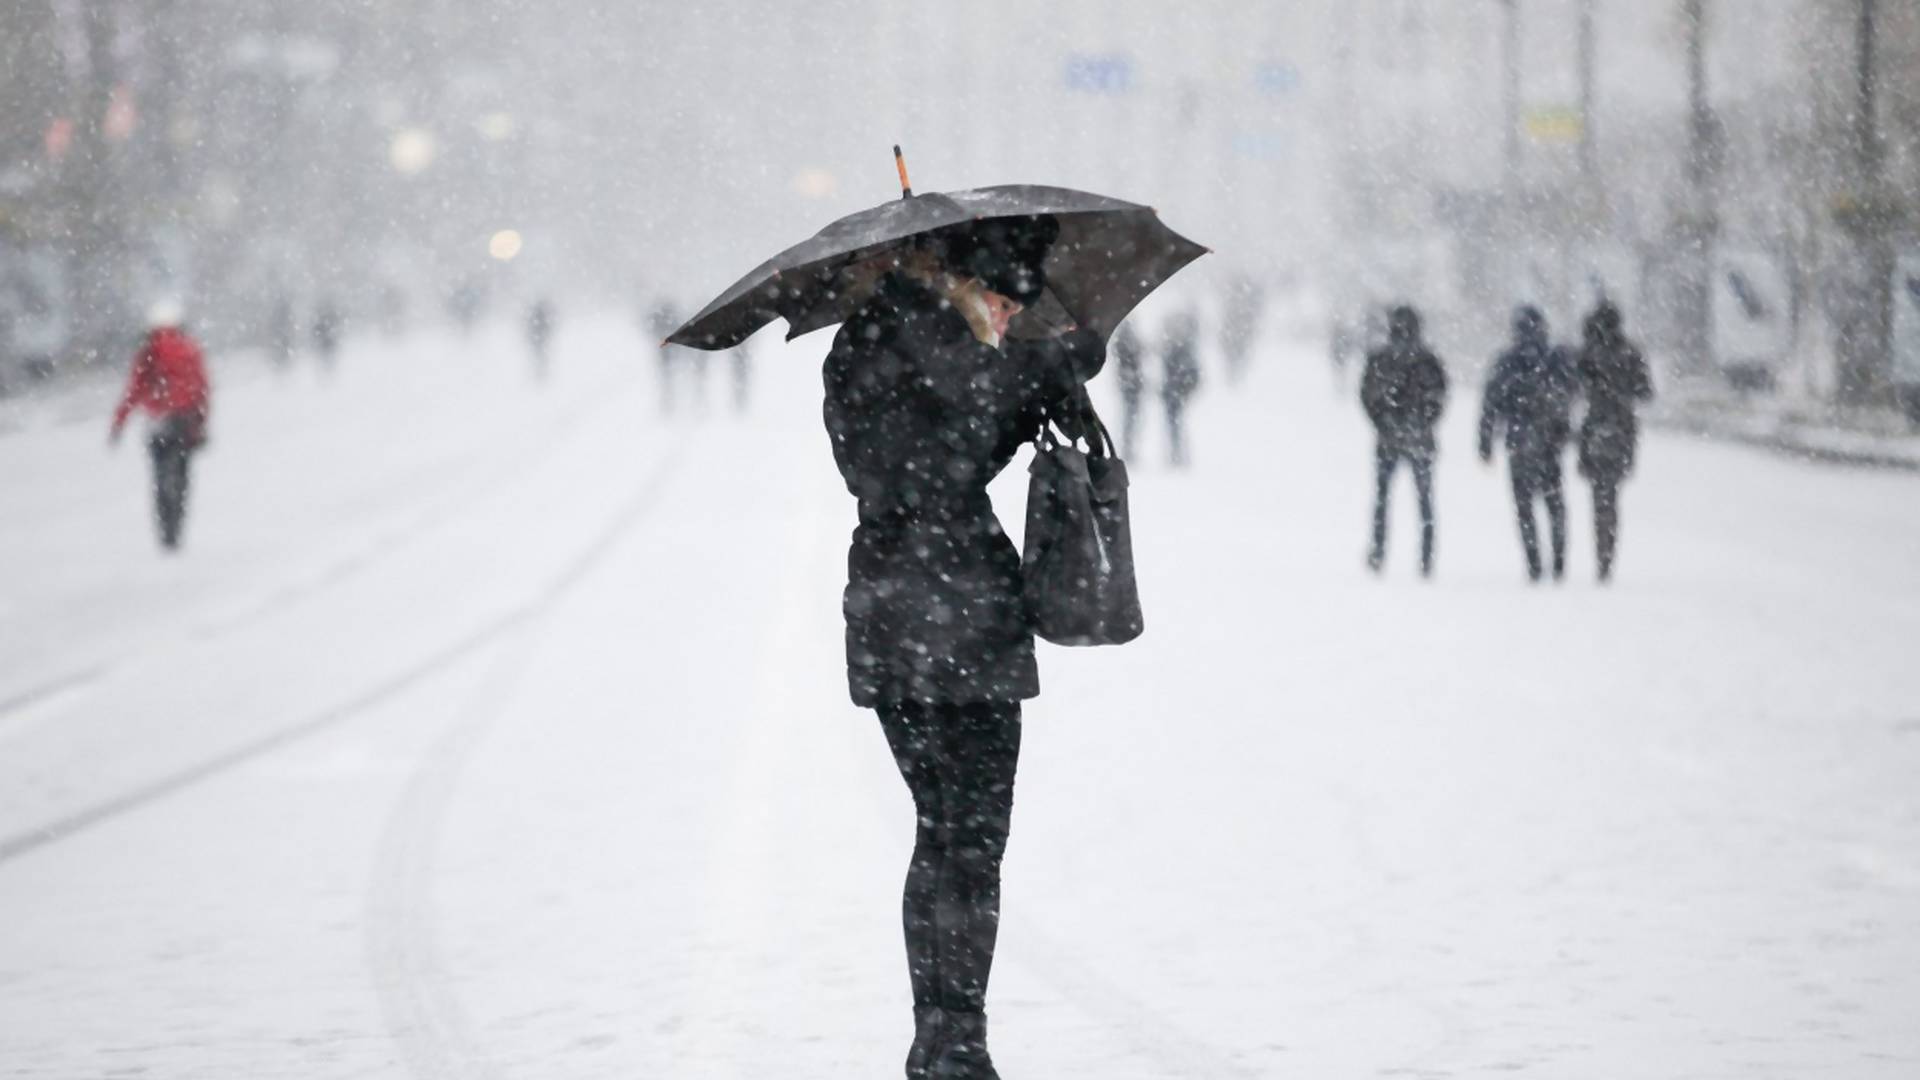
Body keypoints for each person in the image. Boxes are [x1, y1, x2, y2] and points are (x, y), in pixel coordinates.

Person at [822, 215, 1104, 1080]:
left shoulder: (864, 349)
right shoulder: (933, 346)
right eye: (1005, 299)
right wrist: (1042, 370)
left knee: (946, 833)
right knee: (968, 839)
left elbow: (935, 452)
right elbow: (939, 460)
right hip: (954, 615)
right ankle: (955, 1038)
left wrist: (1033, 383)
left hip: (897, 614)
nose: (1014, 317)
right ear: (966, 283)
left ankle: (944, 1034)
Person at [1478, 306, 1578, 582]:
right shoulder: (1555, 358)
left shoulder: (1508, 361)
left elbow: (1491, 404)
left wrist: (1485, 441)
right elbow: (1572, 391)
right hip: (1549, 442)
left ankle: (1534, 562)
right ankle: (1558, 561)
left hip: (1519, 442)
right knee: (1554, 504)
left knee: (1525, 508)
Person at [110, 301, 211, 551]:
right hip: (183, 421)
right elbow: (202, 388)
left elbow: (134, 389)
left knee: (158, 477)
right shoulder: (190, 349)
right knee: (182, 476)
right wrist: (200, 421)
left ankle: (165, 527)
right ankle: (177, 522)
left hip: (157, 421)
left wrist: (119, 421)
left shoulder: (148, 351)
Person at [1361, 304, 1448, 576]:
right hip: (1418, 439)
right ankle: (1425, 558)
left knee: (1383, 499)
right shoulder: (1427, 360)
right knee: (1423, 501)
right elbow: (1439, 398)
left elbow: (1368, 395)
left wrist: (1384, 422)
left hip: (1389, 439)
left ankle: (1379, 551)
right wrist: (1421, 422)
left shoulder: (1381, 359)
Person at [1575, 300, 1654, 583]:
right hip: (1622, 430)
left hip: (1595, 428)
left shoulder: (1589, 353)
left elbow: (1574, 386)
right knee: (1610, 496)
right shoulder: (1630, 353)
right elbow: (1646, 392)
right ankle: (1607, 553)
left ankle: (1602, 552)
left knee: (1599, 495)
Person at [1159, 309, 1201, 467]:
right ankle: (1175, 455)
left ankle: (1177, 455)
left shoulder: (1180, 349)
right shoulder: (1175, 348)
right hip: (1172, 394)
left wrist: (1183, 389)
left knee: (1175, 426)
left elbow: (1193, 374)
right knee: (1174, 426)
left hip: (1175, 394)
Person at [1112, 321, 1145, 459]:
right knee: (1130, 418)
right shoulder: (1126, 344)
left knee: (1131, 418)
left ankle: (1128, 447)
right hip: (1131, 386)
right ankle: (1128, 447)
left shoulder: (1122, 343)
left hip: (1131, 385)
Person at [647, 300, 681, 415]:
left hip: (665, 354)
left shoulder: (660, 318)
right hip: (667, 354)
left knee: (667, 377)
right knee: (667, 377)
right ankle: (667, 401)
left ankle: (667, 401)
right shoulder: (668, 318)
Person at [526, 298, 555, 378]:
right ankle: (541, 373)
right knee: (541, 356)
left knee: (538, 356)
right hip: (541, 341)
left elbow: (530, 329)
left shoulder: (535, 317)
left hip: (538, 341)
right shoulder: (543, 318)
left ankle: (539, 373)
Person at [311, 299, 342, 370]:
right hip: (325, 343)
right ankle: (327, 368)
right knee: (326, 358)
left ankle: (328, 368)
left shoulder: (321, 318)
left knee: (327, 358)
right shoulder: (326, 317)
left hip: (326, 343)